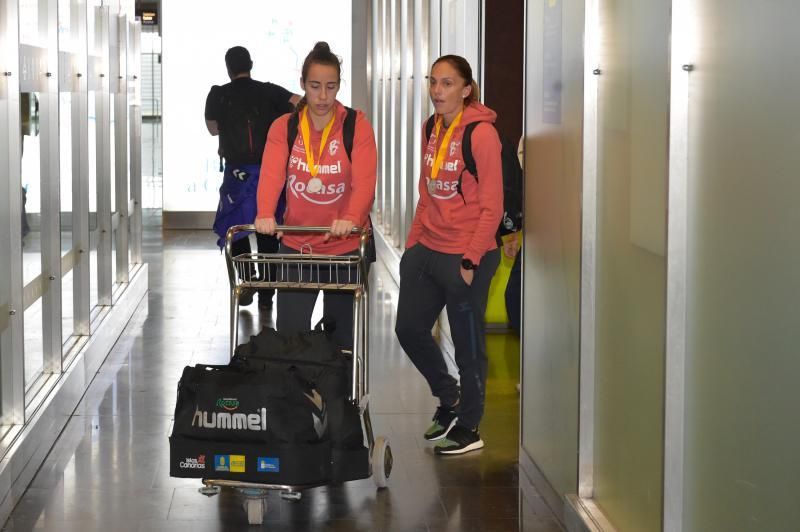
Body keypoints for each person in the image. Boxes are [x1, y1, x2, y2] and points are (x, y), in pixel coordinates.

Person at [395, 55, 503, 455]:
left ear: (466, 89)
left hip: (467, 253)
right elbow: (428, 190)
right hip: (427, 247)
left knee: (468, 346)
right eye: (434, 82)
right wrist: (412, 243)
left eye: (447, 83)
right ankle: (450, 397)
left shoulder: (481, 135)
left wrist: (472, 259)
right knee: (408, 328)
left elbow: (492, 205)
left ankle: (470, 426)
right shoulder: (432, 128)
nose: (438, 91)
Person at [254, 42, 377, 350]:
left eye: (331, 86)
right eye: (315, 86)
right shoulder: (285, 127)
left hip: (345, 248)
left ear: (339, 85)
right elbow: (271, 175)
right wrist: (265, 212)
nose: (323, 96)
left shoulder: (356, 125)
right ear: (302, 85)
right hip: (298, 245)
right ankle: (297, 397)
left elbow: (365, 183)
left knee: (341, 338)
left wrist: (351, 218)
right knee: (290, 334)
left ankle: (338, 396)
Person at [205, 46, 300, 310]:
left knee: (237, 230)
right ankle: (268, 293)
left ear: (228, 67)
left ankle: (247, 280)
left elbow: (213, 130)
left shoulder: (218, 94)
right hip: (270, 171)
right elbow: (300, 102)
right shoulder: (269, 91)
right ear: (251, 64)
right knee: (269, 227)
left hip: (237, 174)